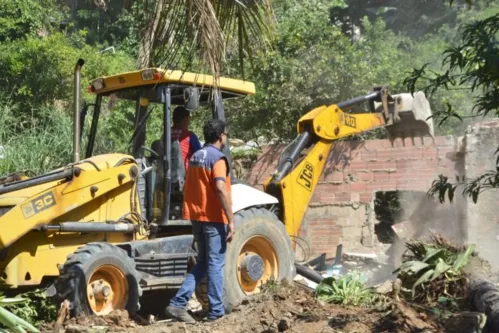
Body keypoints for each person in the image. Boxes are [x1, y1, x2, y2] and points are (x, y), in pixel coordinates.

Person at [165, 119, 236, 323]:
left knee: (204, 262)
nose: (226, 138)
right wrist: (231, 220)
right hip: (213, 218)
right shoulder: (218, 159)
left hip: (196, 218)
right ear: (221, 135)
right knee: (215, 263)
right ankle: (216, 311)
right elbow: (221, 188)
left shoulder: (196, 156)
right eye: (226, 134)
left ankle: (177, 304)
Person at [151, 106, 202, 170]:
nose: (189, 121)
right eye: (189, 118)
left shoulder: (165, 134)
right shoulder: (189, 136)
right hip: (184, 175)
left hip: (165, 171)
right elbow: (201, 155)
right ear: (185, 119)